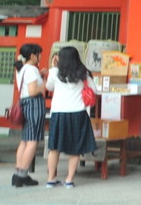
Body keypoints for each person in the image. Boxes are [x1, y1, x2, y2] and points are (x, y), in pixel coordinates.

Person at [43, 46, 98, 188]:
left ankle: (51, 179)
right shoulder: (83, 72)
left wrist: (53, 66)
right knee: (75, 148)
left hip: (59, 113)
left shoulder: (54, 72)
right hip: (78, 113)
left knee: (54, 147)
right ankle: (69, 180)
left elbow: (49, 87)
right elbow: (95, 89)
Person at [11, 43, 45, 187]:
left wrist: (41, 76)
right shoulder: (31, 69)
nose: (41, 56)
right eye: (39, 53)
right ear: (33, 55)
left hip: (25, 103)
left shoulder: (22, 69)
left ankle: (18, 173)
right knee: (32, 141)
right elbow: (32, 91)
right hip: (33, 104)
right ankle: (23, 174)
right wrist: (45, 83)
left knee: (25, 140)